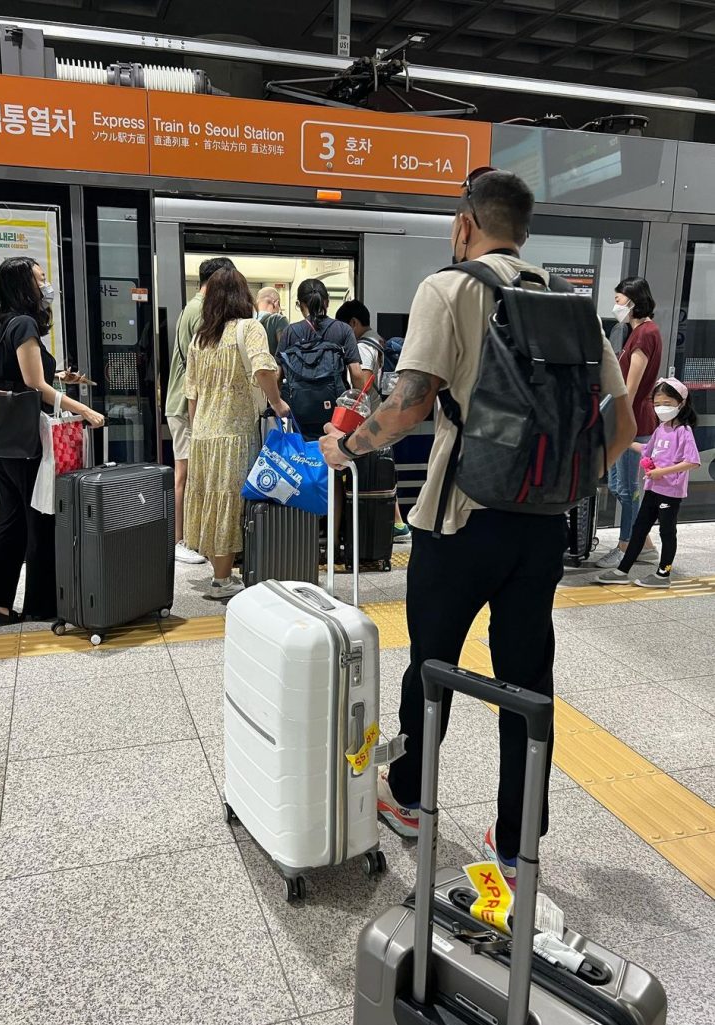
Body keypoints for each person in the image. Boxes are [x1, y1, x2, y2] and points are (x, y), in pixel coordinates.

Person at [320, 169, 635, 887]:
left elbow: (409, 403)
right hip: (540, 527)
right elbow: (623, 423)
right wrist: (569, 486)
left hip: (457, 519)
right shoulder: (569, 304)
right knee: (528, 681)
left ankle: (407, 799)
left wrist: (348, 447)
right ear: (523, 230)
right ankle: (518, 846)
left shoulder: (449, 288)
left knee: (431, 664)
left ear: (464, 224)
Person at [0, 257, 104, 625]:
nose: (46, 286)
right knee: (41, 518)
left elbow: (20, 376)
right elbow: (34, 385)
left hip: (3, 439)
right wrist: (85, 410)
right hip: (26, 440)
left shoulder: (4, 323)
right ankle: (42, 604)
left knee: (12, 517)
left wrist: (59, 375)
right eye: (40, 279)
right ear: (23, 285)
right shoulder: (25, 324)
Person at [184, 267, 290, 599]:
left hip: (203, 433)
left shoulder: (201, 338)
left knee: (211, 499)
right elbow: (263, 368)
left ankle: (220, 570)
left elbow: (191, 393)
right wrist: (278, 402)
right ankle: (222, 579)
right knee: (229, 502)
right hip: (234, 431)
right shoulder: (250, 328)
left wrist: (197, 428)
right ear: (243, 296)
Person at [597, 379, 700, 589]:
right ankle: (622, 571)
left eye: (667, 403)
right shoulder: (661, 428)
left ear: (681, 403)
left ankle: (663, 574)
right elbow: (647, 450)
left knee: (667, 532)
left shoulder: (684, 431)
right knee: (639, 529)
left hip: (670, 492)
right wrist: (624, 442)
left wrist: (661, 471)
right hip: (652, 489)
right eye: (657, 404)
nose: (661, 408)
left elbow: (692, 461)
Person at [165, 257, 235, 566]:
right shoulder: (201, 312)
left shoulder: (192, 308)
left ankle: (188, 538)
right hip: (186, 404)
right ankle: (180, 540)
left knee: (190, 473)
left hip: (183, 402)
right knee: (184, 474)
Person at [596, 278, 664, 569]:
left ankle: (626, 546)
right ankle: (644, 545)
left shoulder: (645, 334)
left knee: (627, 489)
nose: (616, 305)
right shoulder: (637, 332)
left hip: (633, 422)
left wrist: (617, 422)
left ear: (634, 301)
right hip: (628, 419)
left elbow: (630, 388)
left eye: (619, 299)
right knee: (617, 485)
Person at [336, 299, 411, 544]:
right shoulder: (378, 340)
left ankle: (396, 524)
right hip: (379, 417)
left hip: (371, 419)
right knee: (382, 471)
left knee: (377, 472)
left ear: (353, 323)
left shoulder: (364, 347)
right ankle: (396, 524)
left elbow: (363, 382)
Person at [276, 279, 366, 442]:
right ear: (327, 301)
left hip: (300, 412)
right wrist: (358, 406)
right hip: (336, 414)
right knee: (336, 453)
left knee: (304, 453)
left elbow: (277, 375)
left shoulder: (290, 332)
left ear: (300, 304)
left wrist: (277, 404)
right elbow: (357, 374)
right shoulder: (343, 330)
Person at [256, 286, 288, 357]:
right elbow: (286, 352)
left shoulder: (247, 321)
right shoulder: (278, 320)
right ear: (276, 303)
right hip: (273, 364)